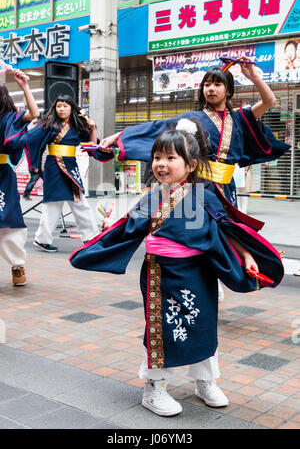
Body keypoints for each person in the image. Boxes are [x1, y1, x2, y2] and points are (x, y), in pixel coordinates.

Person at [70, 118, 284, 417]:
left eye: (171, 158)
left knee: (203, 326)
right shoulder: (151, 197)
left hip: (198, 274)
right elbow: (128, 227)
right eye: (157, 157)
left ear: (191, 165)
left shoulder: (206, 197)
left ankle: (205, 380)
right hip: (160, 275)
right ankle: (154, 388)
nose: (161, 163)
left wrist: (247, 255)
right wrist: (105, 232)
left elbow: (226, 229)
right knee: (161, 329)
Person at [95, 56, 290, 215]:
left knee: (229, 234)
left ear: (228, 90)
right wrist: (118, 136)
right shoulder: (193, 118)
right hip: (200, 186)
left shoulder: (240, 117)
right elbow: (158, 128)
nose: (211, 89)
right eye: (207, 85)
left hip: (227, 188)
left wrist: (253, 76)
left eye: (217, 84)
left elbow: (269, 101)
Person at [24, 95, 99, 252]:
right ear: (55, 108)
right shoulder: (49, 124)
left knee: (79, 202)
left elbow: (91, 145)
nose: (62, 109)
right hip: (54, 168)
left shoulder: (79, 125)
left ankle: (91, 237)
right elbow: (30, 139)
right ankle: (43, 239)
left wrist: (93, 128)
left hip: (70, 168)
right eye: (59, 106)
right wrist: (35, 165)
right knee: (52, 203)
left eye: (65, 106)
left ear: (71, 107)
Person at [0, 69, 39, 286]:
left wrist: (24, 85)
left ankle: (17, 265)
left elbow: (34, 115)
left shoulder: (9, 118)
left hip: (3, 175)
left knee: (9, 220)